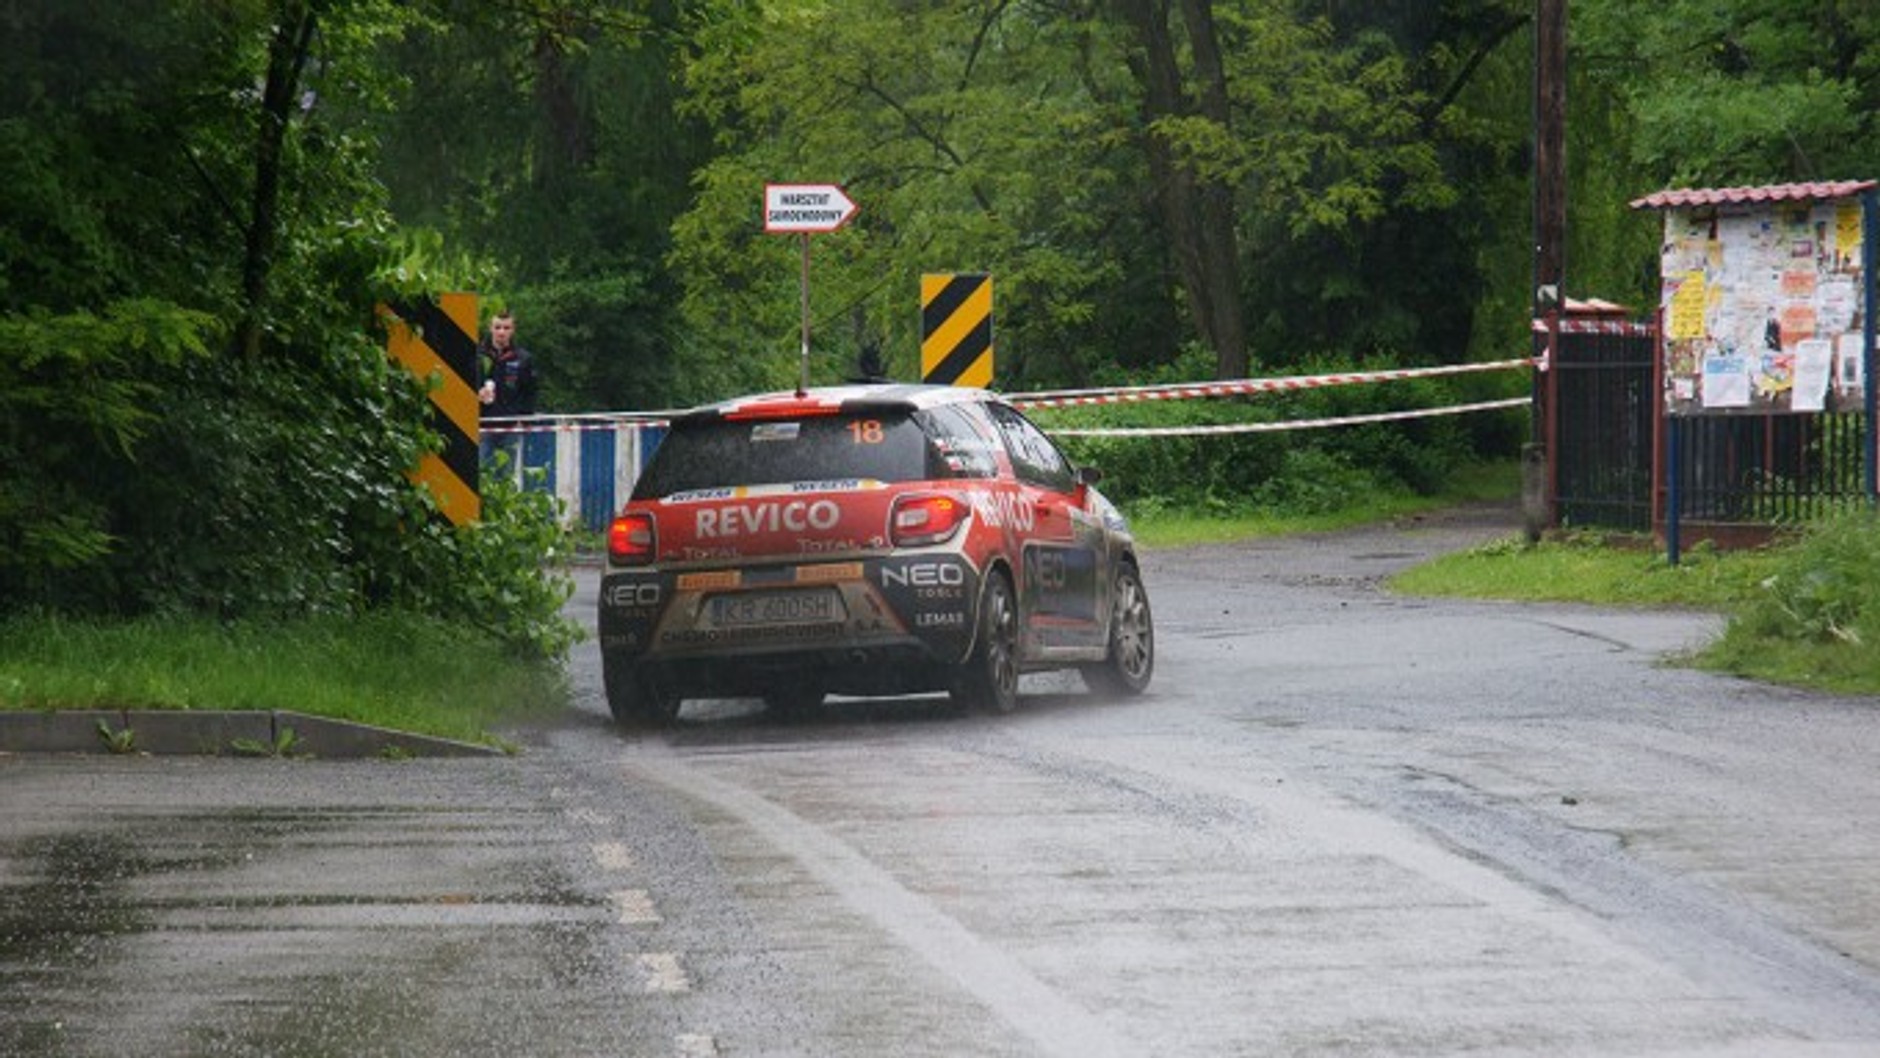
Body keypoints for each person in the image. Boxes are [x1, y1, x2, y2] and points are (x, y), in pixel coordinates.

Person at [477, 311, 539, 474]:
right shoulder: (477, 355)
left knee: (505, 475)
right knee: (481, 473)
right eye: (497, 327)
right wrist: (477, 394)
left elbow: (530, 392)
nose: (501, 332)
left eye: (506, 328)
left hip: (510, 426)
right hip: (481, 425)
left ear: (513, 330)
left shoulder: (523, 358)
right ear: (490, 329)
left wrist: (525, 421)